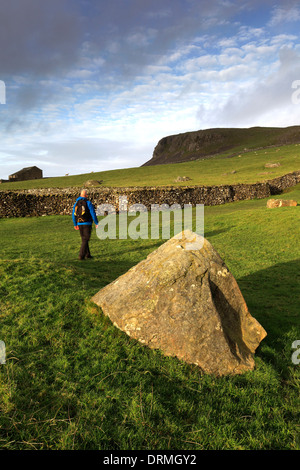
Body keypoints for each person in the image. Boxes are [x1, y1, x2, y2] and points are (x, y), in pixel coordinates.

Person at [72, 189, 99, 260]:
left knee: (84, 239)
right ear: (86, 195)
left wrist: (75, 224)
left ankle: (88, 254)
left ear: (80, 195)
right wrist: (96, 222)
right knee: (85, 239)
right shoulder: (88, 203)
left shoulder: (76, 204)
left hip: (79, 223)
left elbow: (73, 215)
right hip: (87, 223)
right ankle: (81, 256)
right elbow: (93, 213)